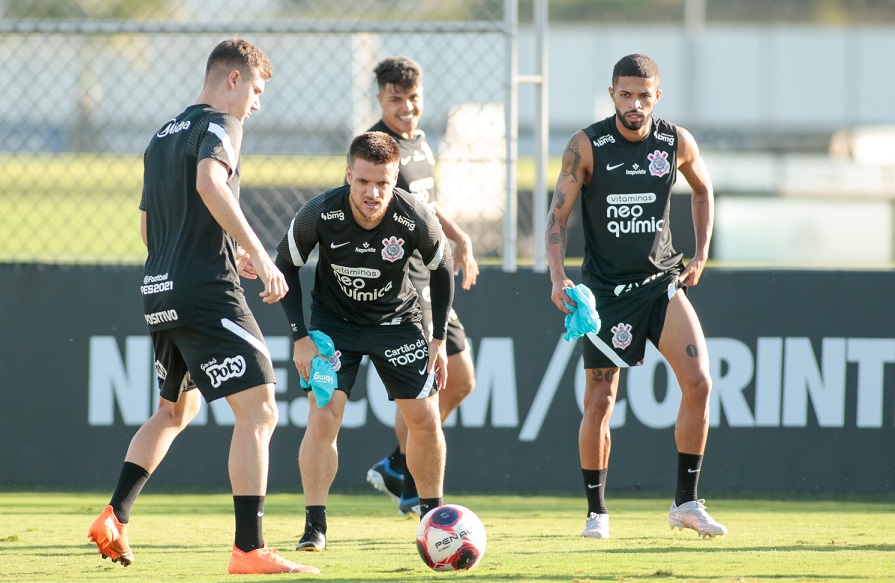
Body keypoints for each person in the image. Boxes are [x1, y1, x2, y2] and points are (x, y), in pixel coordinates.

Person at [86, 38, 319, 575]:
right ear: (233, 79)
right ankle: (249, 549)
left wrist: (216, 247)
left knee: (175, 410)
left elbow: (149, 227)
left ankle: (114, 516)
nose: (256, 104)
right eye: (256, 91)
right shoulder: (219, 124)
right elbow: (211, 182)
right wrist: (260, 256)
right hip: (204, 291)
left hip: (159, 289)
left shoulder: (160, 136)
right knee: (260, 409)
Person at [545, 54, 727, 540]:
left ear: (657, 98)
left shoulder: (674, 141)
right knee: (600, 401)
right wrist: (558, 276)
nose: (635, 104)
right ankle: (597, 512)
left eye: (644, 96)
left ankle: (685, 503)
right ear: (612, 96)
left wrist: (702, 252)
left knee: (701, 382)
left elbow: (704, 190)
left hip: (660, 285)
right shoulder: (586, 146)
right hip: (604, 295)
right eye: (625, 94)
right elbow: (557, 218)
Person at [275, 131, 454, 552]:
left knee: (426, 419)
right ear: (349, 175)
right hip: (333, 325)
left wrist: (439, 338)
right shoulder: (318, 213)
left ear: (395, 180)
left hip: (397, 321)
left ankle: (434, 521)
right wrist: (301, 338)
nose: (373, 193)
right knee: (323, 418)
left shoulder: (416, 216)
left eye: (383, 183)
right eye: (363, 182)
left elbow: (443, 268)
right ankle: (314, 526)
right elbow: (285, 265)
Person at [362, 56, 479, 516]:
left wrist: (461, 237)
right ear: (381, 100)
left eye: (413, 98)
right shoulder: (377, 147)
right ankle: (413, 485)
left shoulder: (421, 141)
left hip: (432, 273)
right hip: (403, 282)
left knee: (461, 381)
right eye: (396, 99)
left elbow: (426, 205)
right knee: (422, 390)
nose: (407, 107)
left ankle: (397, 465)